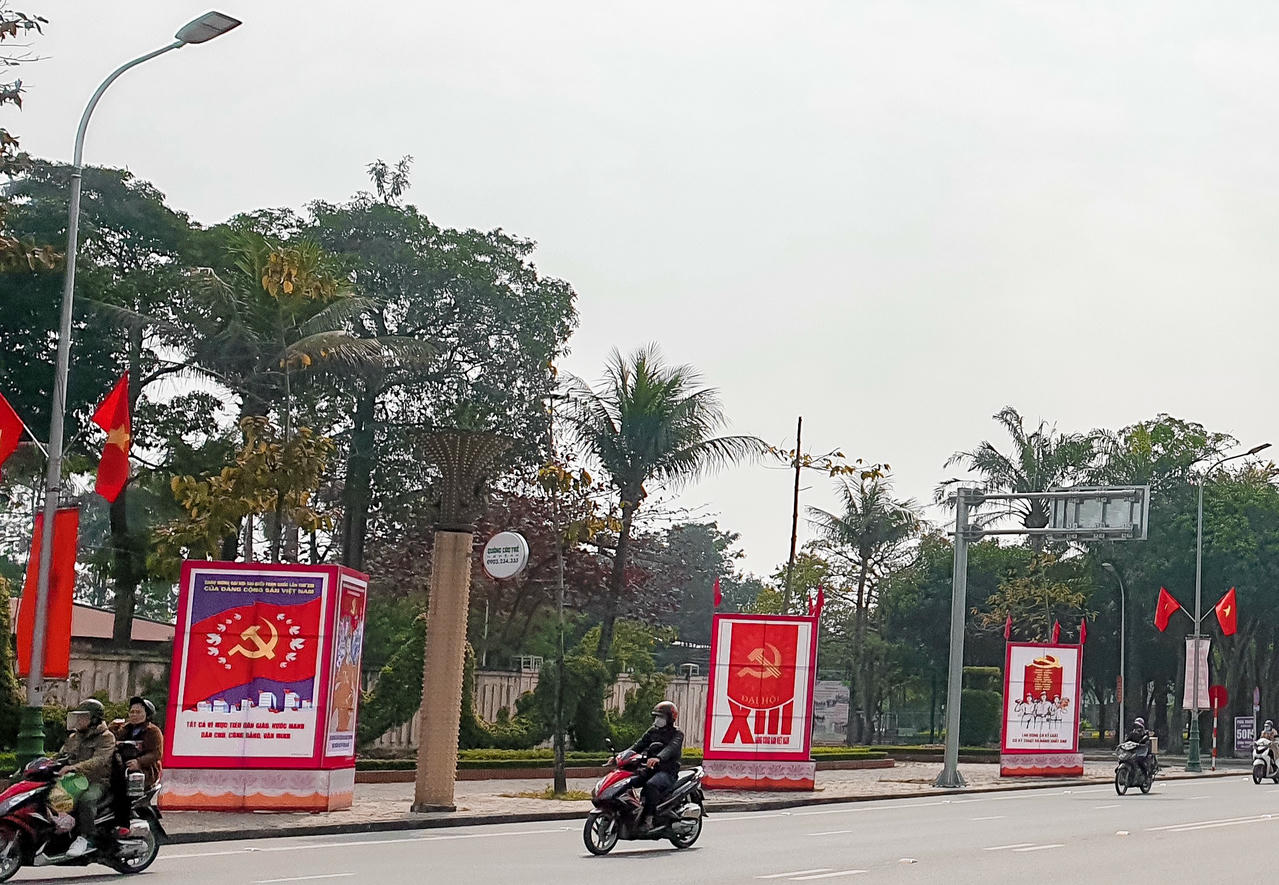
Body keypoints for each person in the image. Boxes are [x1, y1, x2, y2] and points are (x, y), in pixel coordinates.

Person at [58, 699, 116, 858]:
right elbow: (62, 755)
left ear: (94, 719)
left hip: (97, 781)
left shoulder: (106, 737)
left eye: (83, 717)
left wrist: (74, 767)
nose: (78, 720)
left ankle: (86, 838)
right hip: (74, 779)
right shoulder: (74, 737)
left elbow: (99, 761)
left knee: (87, 800)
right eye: (77, 716)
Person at [626, 700, 683, 831]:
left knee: (651, 785)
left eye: (661, 717)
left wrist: (658, 758)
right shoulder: (652, 731)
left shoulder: (677, 734)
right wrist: (619, 756)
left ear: (670, 718)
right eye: (656, 716)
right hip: (650, 769)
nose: (658, 719)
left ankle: (649, 818)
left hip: (667, 772)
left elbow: (671, 748)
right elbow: (637, 746)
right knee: (628, 782)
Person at [110, 697, 164, 789]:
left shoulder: (153, 731)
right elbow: (111, 743)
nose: (134, 715)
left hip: (146, 771)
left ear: (147, 714)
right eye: (132, 712)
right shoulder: (124, 729)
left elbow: (156, 753)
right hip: (122, 769)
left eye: (138, 712)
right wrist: (111, 729)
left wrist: (139, 762)